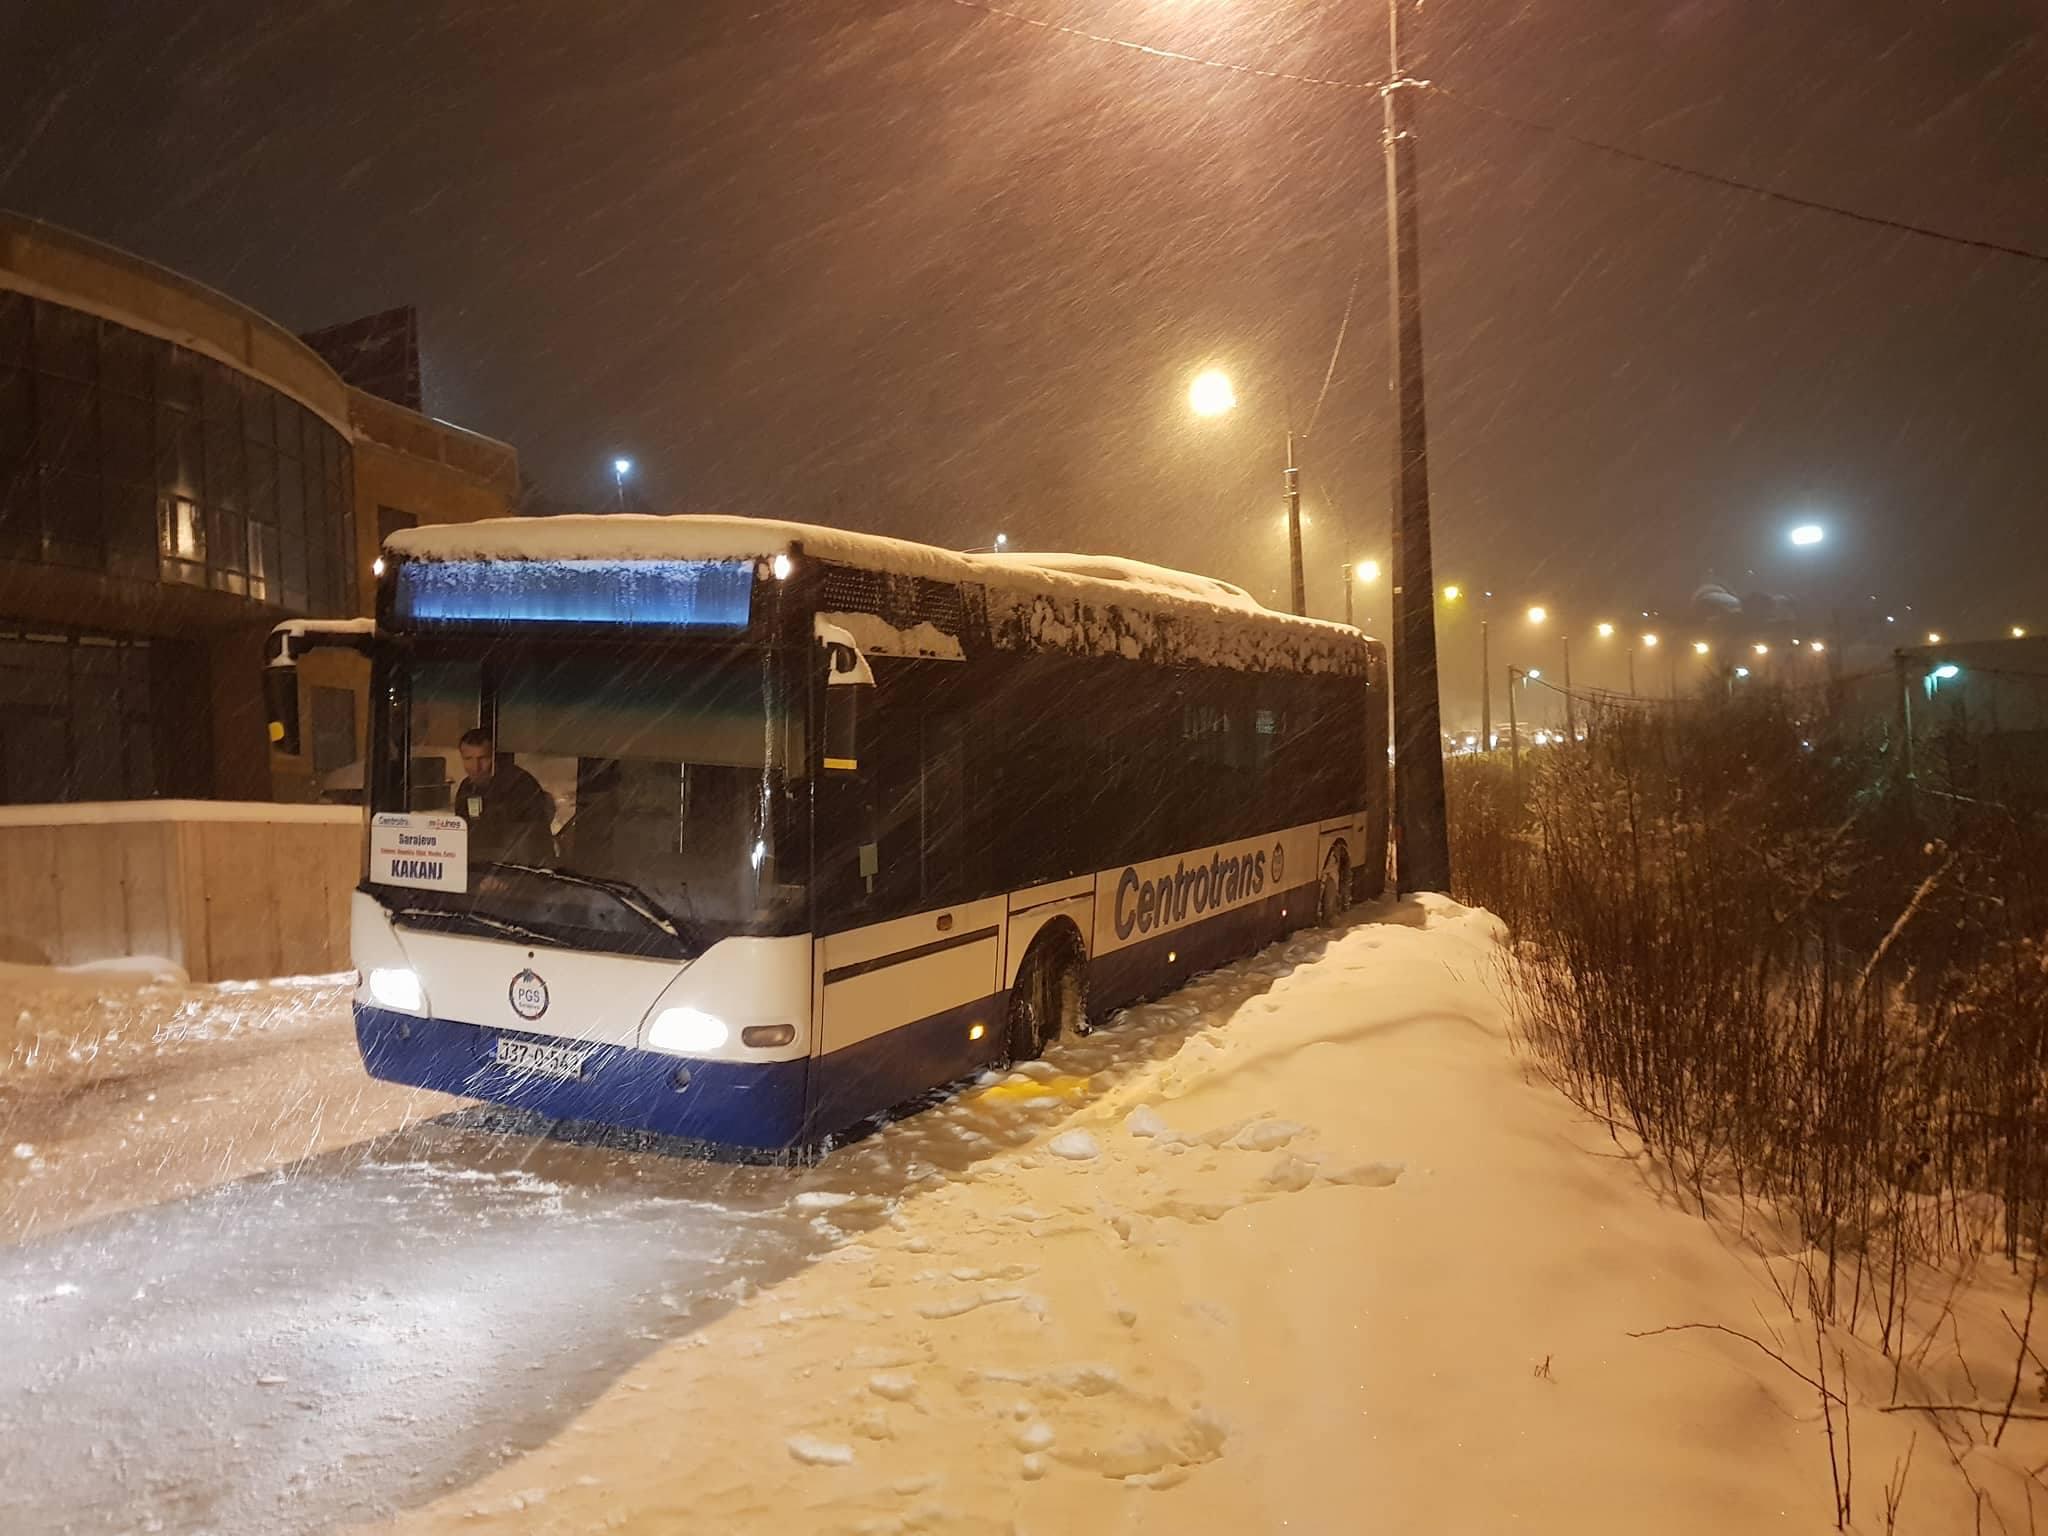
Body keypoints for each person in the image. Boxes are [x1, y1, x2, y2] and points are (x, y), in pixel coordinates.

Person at [454, 728, 556, 865]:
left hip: (522, 870)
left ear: (494, 757)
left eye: (483, 758)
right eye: (468, 759)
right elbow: (462, 834)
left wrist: (502, 875)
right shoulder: (467, 788)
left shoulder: (519, 784)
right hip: (481, 866)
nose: (475, 767)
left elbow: (528, 840)